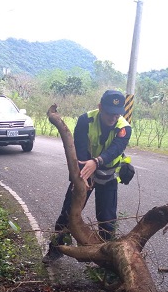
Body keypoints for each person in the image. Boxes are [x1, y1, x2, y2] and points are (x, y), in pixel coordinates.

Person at [43, 89, 132, 263]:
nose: (113, 118)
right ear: (100, 107)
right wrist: (82, 177)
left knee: (107, 219)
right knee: (68, 213)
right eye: (109, 113)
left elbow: (115, 150)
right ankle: (56, 249)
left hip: (108, 176)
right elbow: (79, 149)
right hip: (85, 172)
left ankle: (107, 258)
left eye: (117, 114)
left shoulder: (124, 128)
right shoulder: (86, 120)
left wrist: (97, 161)